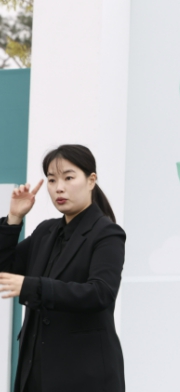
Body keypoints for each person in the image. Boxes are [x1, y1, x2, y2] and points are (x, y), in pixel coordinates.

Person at [0, 144, 125, 392]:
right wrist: (14, 219)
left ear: (91, 180)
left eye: (69, 178)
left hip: (84, 377)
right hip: (35, 374)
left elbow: (100, 293)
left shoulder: (107, 233)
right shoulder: (46, 231)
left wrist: (33, 287)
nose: (59, 187)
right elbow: (6, 268)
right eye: (52, 179)